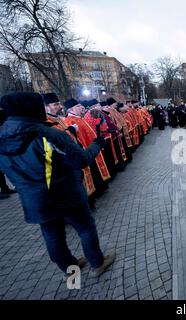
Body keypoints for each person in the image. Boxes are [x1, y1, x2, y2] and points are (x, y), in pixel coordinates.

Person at [0, 92, 115, 276]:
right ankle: (97, 262)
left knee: (52, 235)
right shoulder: (48, 134)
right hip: (64, 194)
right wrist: (97, 144)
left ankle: (70, 268)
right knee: (85, 228)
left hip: (33, 200)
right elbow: (80, 160)